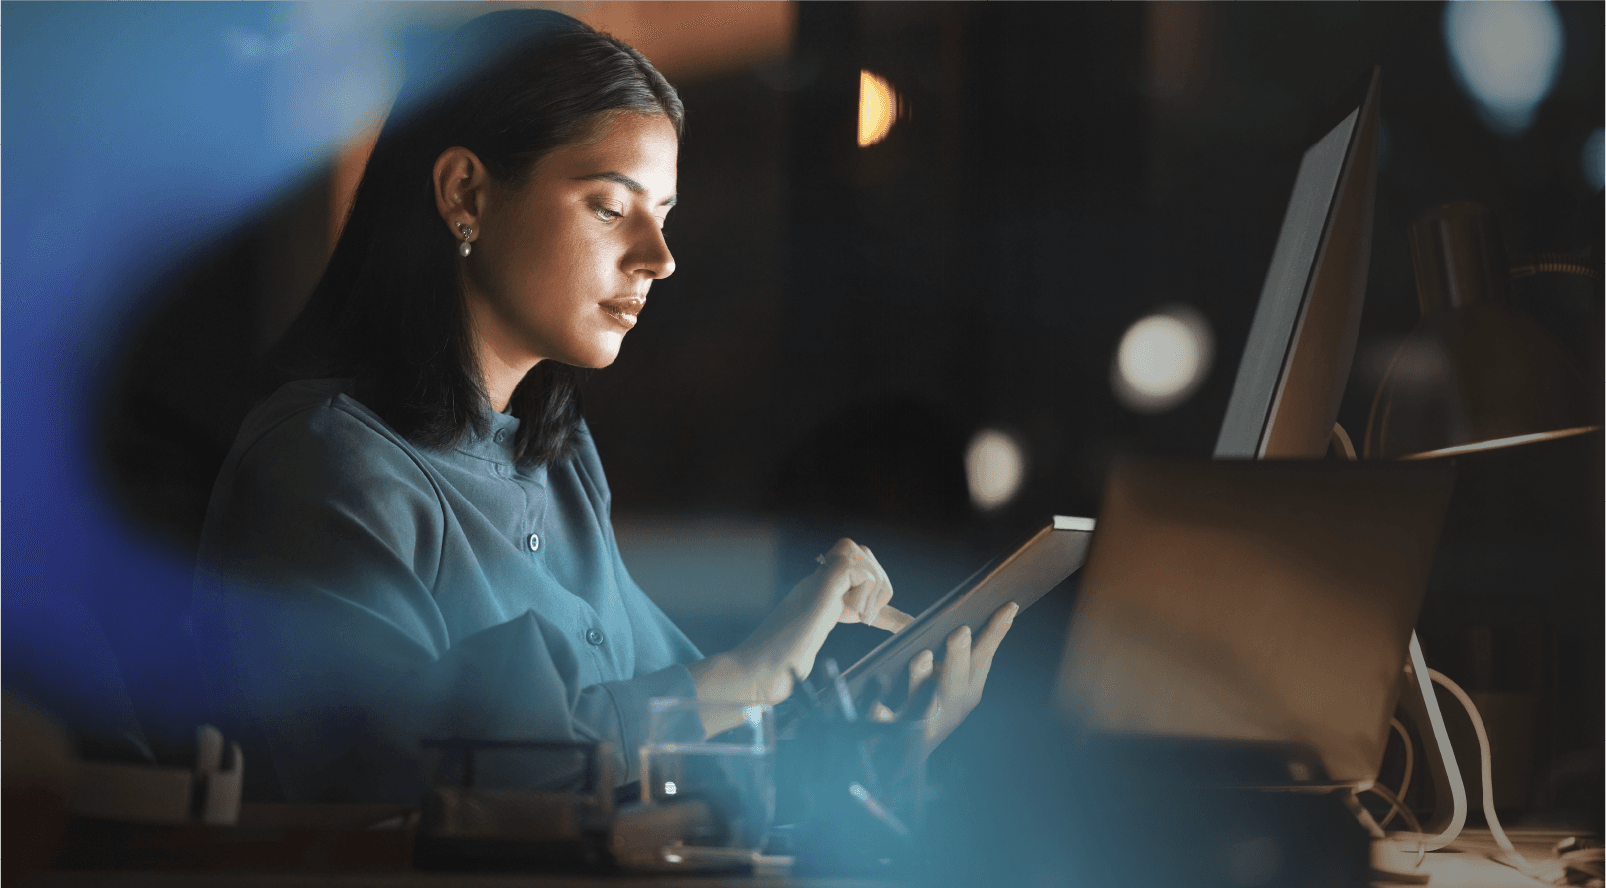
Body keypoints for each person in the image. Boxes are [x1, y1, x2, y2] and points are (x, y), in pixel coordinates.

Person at [193, 9, 1015, 804]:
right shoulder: (325, 464)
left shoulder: (559, 462)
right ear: (465, 194)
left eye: (663, 216)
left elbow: (674, 749)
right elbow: (387, 783)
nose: (659, 259)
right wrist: (750, 674)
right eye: (611, 207)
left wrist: (869, 737)